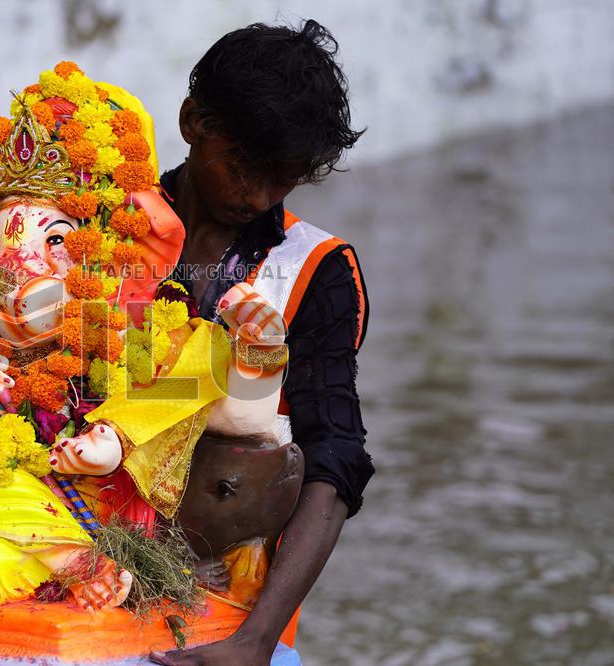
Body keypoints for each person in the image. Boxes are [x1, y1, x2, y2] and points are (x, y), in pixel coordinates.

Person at [149, 20, 374, 665]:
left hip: (228, 612)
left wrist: (256, 642)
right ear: (193, 121)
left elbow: (334, 457)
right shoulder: (97, 229)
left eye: (284, 180)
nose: (258, 197)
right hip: (63, 568)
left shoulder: (318, 270)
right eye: (244, 169)